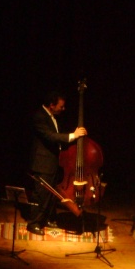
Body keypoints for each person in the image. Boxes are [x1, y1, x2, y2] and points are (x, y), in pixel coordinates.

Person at [26, 90, 87, 235]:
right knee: (40, 195)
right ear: (52, 105)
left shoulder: (52, 116)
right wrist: (73, 135)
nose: (63, 109)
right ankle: (33, 223)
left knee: (50, 196)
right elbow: (51, 137)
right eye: (61, 106)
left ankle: (45, 219)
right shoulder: (39, 117)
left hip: (52, 163)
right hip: (42, 163)